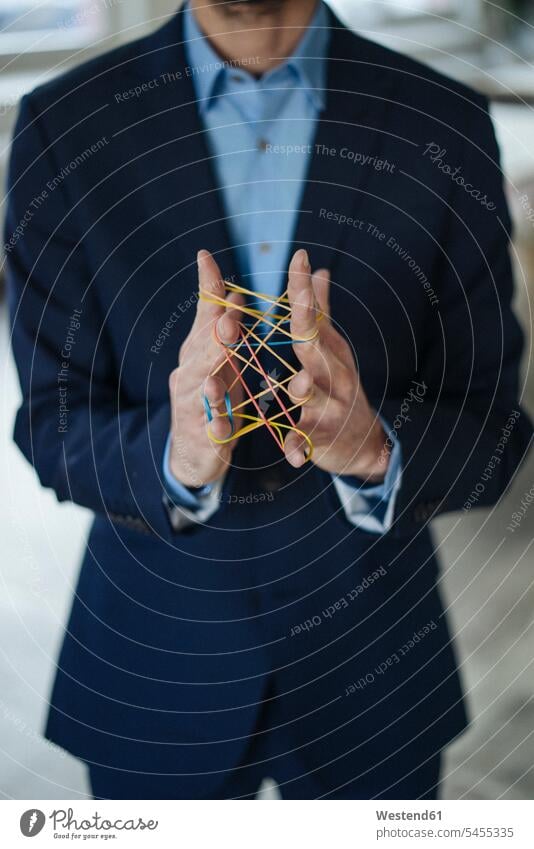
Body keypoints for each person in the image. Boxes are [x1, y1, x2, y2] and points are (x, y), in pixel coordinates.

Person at [5, 0, 532, 799]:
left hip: (376, 668)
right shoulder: (64, 125)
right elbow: (51, 420)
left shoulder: (444, 121)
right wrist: (176, 453)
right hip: (153, 671)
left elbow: (493, 425)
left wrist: (373, 449)